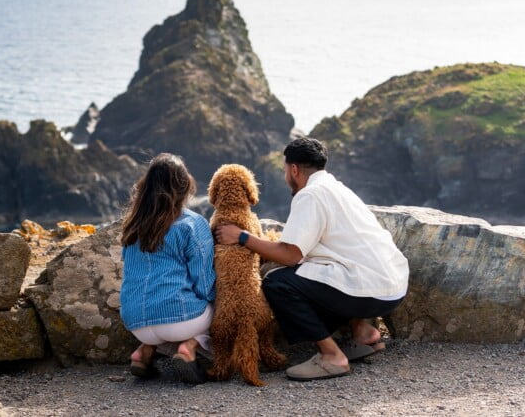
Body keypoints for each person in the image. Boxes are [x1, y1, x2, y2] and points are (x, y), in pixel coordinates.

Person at [214, 137, 409, 381]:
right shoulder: (337, 188)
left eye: (285, 170)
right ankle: (363, 333)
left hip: (369, 291)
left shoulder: (310, 195)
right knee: (320, 272)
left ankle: (331, 356)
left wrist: (242, 237)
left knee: (277, 282)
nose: (286, 176)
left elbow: (290, 255)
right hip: (393, 288)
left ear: (293, 169)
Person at [119, 153, 216, 384]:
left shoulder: (133, 225)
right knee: (217, 306)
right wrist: (213, 302)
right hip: (180, 320)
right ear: (184, 186)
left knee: (157, 309)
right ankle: (188, 348)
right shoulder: (192, 224)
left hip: (135, 322)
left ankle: (144, 351)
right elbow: (203, 281)